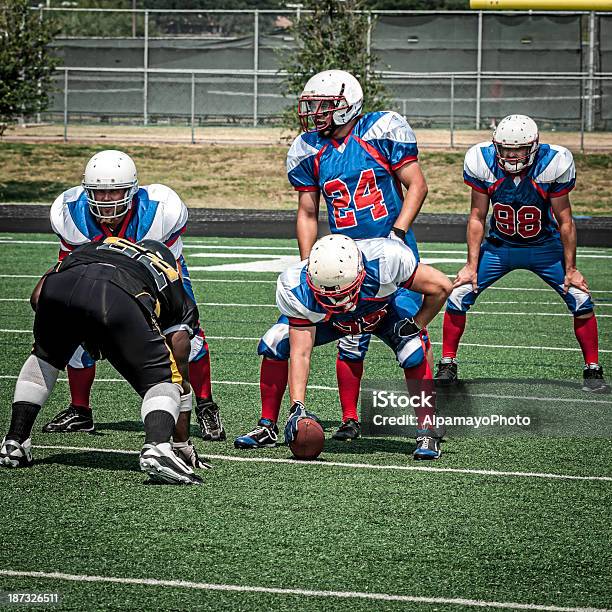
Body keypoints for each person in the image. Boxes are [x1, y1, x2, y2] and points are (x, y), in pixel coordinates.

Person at [258, 69, 430, 442]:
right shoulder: (309, 149)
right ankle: (346, 419)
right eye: (313, 107)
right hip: (338, 261)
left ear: (346, 105)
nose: (315, 114)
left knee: (411, 340)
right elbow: (307, 213)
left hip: (388, 256)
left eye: (324, 106)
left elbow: (417, 185)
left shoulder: (379, 131)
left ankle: (428, 426)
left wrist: (397, 235)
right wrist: (308, 264)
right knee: (346, 338)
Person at [35, 149, 224, 441]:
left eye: (115, 192)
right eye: (99, 193)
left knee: (186, 338)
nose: (107, 200)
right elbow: (68, 268)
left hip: (159, 273)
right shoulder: (71, 213)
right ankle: (80, 409)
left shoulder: (159, 211)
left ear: (132, 191)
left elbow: (169, 276)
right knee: (73, 328)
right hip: (100, 276)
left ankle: (205, 404)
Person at [0, 238, 209, 484]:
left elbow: (37, 297)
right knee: (165, 380)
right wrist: (182, 441)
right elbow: (180, 352)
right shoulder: (170, 276)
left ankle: (15, 441)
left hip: (59, 289)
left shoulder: (96, 245)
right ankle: (158, 447)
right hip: (119, 293)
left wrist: (75, 333)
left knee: (44, 359)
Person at [235, 235, 452, 459]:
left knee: (412, 347)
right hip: (331, 322)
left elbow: (442, 286)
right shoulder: (295, 287)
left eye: (343, 294)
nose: (337, 302)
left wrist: (417, 324)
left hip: (383, 312)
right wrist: (297, 407)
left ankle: (428, 428)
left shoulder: (386, 260)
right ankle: (267, 425)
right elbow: (301, 353)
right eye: (327, 296)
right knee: (274, 341)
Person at [435, 114, 607, 392]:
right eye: (505, 149)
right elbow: (477, 216)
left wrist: (572, 269)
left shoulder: (552, 163)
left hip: (544, 248)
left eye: (519, 149)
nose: (512, 155)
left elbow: (565, 221)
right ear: (496, 146)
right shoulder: (483, 162)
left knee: (580, 297)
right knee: (458, 293)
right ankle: (447, 363)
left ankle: (593, 368)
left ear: (533, 147)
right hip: (500, 247)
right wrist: (470, 264)